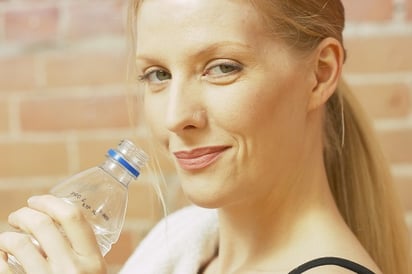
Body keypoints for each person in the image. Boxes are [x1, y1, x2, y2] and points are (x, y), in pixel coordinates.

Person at [0, 0, 410, 273]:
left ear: (320, 73)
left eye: (222, 67)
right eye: (157, 75)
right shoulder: (182, 249)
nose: (176, 117)